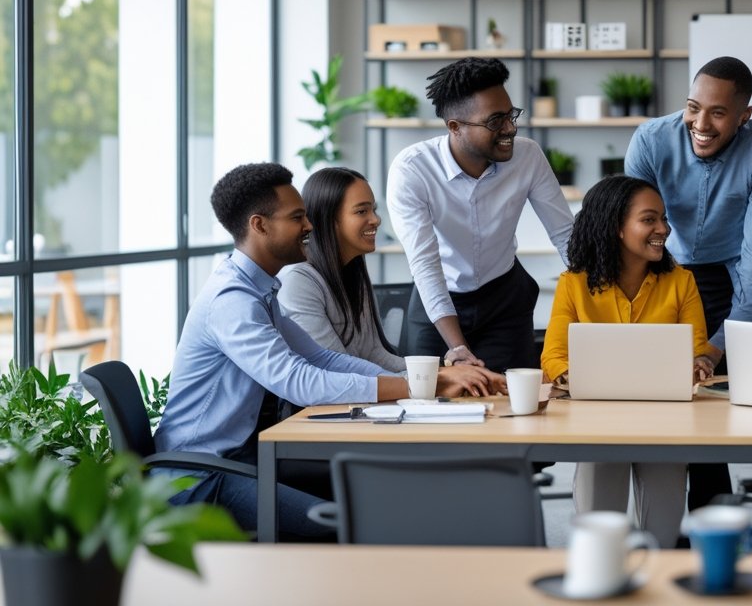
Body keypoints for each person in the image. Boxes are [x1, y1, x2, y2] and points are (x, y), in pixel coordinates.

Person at [154, 162, 496, 538]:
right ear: (259, 225)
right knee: (347, 526)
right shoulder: (232, 301)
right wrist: (416, 387)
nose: (309, 226)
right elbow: (298, 382)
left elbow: (321, 358)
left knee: (380, 507)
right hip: (197, 482)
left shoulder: (258, 291)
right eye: (297, 217)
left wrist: (423, 380)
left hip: (236, 463)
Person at [624, 55, 752, 512]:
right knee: (656, 406)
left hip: (727, 273)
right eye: (693, 107)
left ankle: (709, 528)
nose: (701, 123)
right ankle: (663, 530)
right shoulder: (651, 140)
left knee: (710, 413)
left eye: (718, 113)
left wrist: (711, 351)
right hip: (661, 268)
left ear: (744, 116)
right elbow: (633, 235)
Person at [540, 175, 717, 547]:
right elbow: (553, 357)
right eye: (649, 219)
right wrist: (580, 377)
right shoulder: (574, 283)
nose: (663, 229)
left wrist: (700, 363)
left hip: (666, 421)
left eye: (663, 219)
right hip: (596, 421)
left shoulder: (681, 281)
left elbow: (697, 349)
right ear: (616, 227)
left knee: (662, 536)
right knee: (597, 536)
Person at [387, 57, 573, 373]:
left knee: (511, 405)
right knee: (429, 406)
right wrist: (457, 347)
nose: (510, 128)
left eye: (511, 115)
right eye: (495, 120)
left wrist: (602, 300)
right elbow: (425, 263)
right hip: (438, 304)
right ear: (455, 128)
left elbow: (566, 234)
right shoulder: (413, 169)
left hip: (504, 300)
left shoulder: (528, 156)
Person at [278, 167, 507, 385]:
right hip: (318, 413)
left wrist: (445, 371)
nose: (376, 220)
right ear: (329, 220)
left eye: (374, 209)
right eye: (361, 211)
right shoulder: (300, 283)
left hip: (357, 402)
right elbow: (334, 366)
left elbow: (374, 354)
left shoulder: (352, 276)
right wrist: (436, 379)